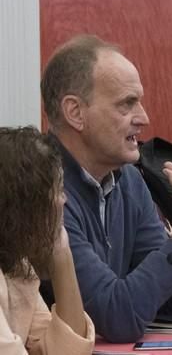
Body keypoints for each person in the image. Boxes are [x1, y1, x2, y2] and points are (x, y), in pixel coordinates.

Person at [40, 35, 172, 342]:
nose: (144, 118)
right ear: (75, 112)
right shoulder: (41, 191)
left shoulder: (129, 180)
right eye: (127, 104)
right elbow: (118, 318)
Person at [0, 127, 95, 354]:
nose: (65, 200)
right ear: (26, 202)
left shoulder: (18, 266)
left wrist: (62, 254)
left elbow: (66, 352)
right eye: (59, 189)